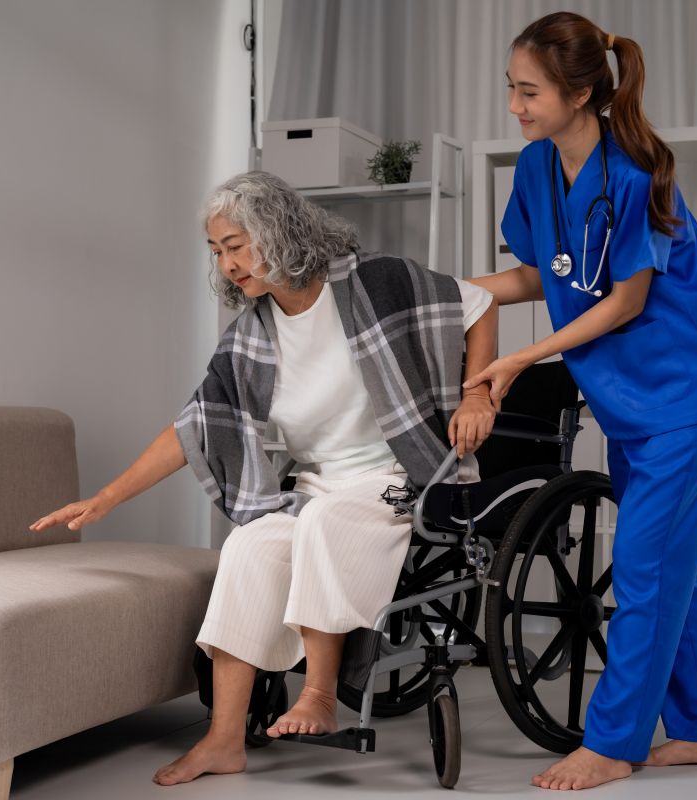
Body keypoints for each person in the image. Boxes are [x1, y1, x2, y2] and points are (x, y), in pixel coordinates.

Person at [30, 170, 499, 786]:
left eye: (237, 245)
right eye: (217, 251)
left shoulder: (374, 283)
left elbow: (479, 303)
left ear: (279, 232)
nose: (227, 264)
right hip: (316, 482)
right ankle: (224, 739)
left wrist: (478, 394)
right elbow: (194, 428)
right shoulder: (250, 338)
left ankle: (323, 698)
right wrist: (107, 497)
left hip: (399, 475)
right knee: (249, 546)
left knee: (326, 525)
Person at [465, 11, 697, 792]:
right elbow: (543, 275)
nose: (515, 106)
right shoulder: (534, 168)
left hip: (687, 391)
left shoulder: (636, 169)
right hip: (627, 397)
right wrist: (452, 294)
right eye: (511, 91)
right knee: (674, 565)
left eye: (528, 92)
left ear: (581, 90)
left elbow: (623, 301)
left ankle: (613, 742)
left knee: (645, 564)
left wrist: (523, 354)